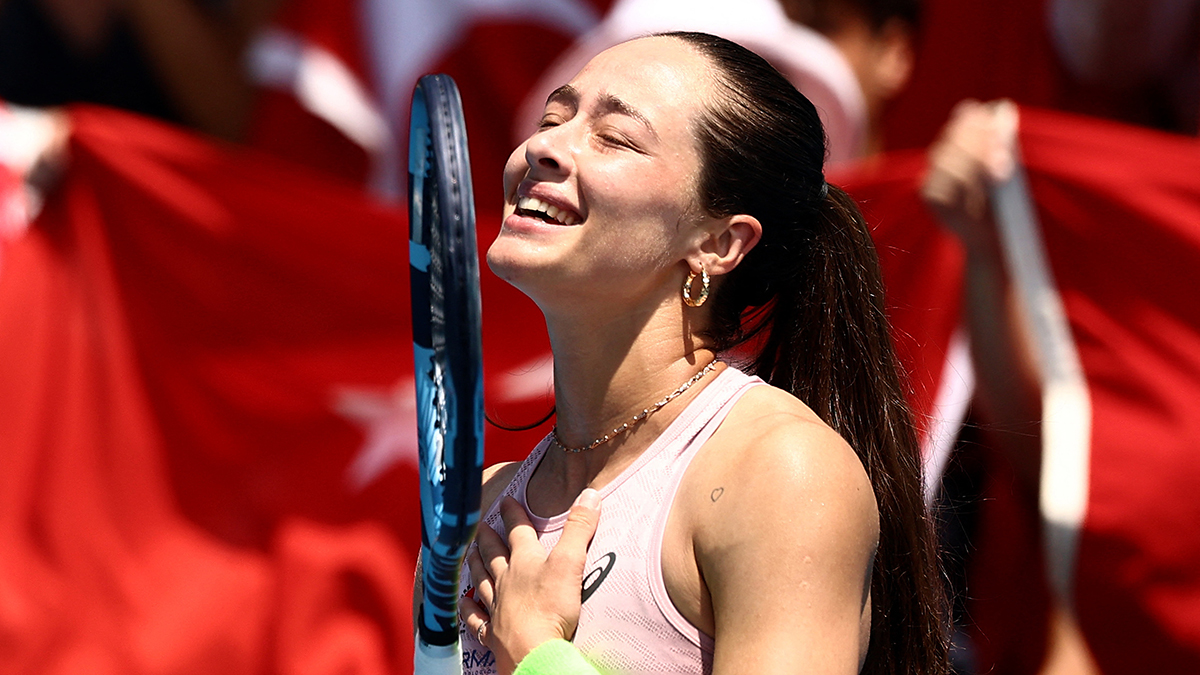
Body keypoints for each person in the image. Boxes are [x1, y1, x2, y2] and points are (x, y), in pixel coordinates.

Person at [416, 31, 948, 675]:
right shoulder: (479, 502)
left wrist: (539, 654)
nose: (544, 148)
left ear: (719, 243)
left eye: (614, 137)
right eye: (553, 118)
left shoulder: (780, 470)